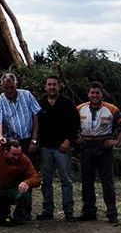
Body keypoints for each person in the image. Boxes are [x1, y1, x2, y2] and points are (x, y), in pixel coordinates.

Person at [77, 81, 121, 225]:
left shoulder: (111, 109)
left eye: (97, 93)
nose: (94, 95)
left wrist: (117, 140)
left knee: (107, 182)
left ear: (102, 94)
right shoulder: (80, 108)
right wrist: (76, 138)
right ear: (88, 94)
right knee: (87, 182)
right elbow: (70, 123)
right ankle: (88, 212)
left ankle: (112, 213)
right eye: (92, 93)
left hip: (104, 147)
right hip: (86, 147)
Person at [35, 75, 79, 222]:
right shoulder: (40, 104)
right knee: (46, 181)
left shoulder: (67, 103)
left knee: (65, 180)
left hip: (62, 148)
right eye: (49, 84)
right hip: (45, 148)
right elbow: (35, 124)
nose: (52, 87)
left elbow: (74, 124)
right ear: (45, 87)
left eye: (54, 84)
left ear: (59, 86)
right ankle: (48, 210)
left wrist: (68, 141)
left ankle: (69, 212)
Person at [0, 139, 41, 226]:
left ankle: (19, 215)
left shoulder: (23, 159)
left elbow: (36, 178)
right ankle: (1, 214)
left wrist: (27, 182)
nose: (16, 157)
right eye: (13, 154)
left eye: (18, 154)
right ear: (5, 151)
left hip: (14, 190)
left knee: (25, 195)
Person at [0, 73, 41, 155]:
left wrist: (34, 140)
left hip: (29, 140)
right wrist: (0, 137)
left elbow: (36, 117)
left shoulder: (27, 95)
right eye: (6, 88)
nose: (9, 90)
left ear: (16, 84)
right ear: (2, 87)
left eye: (12, 87)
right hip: (11, 143)